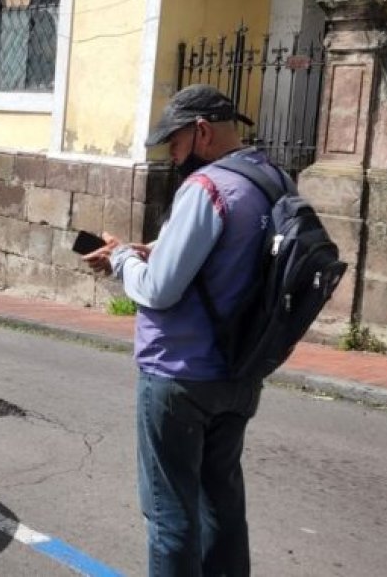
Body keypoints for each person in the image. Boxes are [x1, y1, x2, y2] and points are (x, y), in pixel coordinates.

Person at [85, 84, 285, 577]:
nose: (172, 156)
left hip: (180, 375)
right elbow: (226, 253)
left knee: (170, 514)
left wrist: (123, 259)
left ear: (202, 132)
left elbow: (158, 290)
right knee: (222, 503)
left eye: (174, 143)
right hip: (240, 371)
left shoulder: (206, 187)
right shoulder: (272, 179)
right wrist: (154, 248)